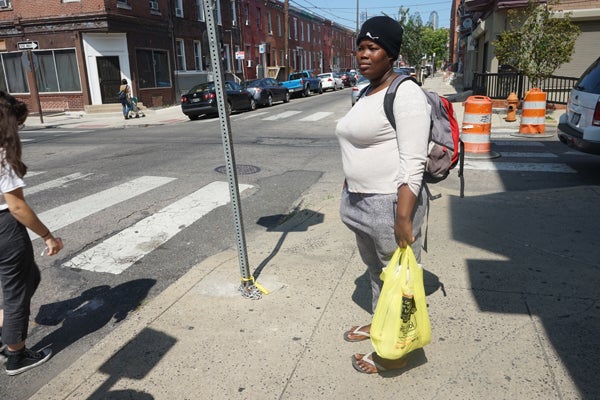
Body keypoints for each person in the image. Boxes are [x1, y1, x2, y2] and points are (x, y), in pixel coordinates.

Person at [335, 16, 431, 374]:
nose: (363, 55)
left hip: (389, 205)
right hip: (360, 203)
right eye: (360, 47)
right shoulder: (367, 91)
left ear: (390, 54)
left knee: (400, 281)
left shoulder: (405, 93)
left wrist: (403, 217)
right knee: (377, 272)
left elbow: (413, 162)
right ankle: (380, 327)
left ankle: (394, 354)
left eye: (372, 48)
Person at [0, 91, 63, 375]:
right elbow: (16, 206)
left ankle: (8, 331)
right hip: (4, 229)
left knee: (28, 279)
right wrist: (48, 235)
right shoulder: (2, 152)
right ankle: (16, 355)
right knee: (17, 292)